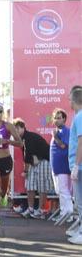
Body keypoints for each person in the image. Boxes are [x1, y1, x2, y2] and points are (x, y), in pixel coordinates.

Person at [14, 118, 54, 219]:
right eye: (14, 129)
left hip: (44, 160)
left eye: (18, 128)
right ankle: (31, 208)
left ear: (23, 128)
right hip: (34, 162)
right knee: (30, 186)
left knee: (42, 187)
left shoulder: (28, 137)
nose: (16, 131)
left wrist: (26, 171)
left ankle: (40, 210)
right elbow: (27, 157)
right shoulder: (22, 139)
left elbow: (28, 156)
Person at [49, 108, 73, 224]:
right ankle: (64, 213)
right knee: (60, 191)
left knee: (64, 191)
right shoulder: (58, 131)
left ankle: (69, 214)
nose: (56, 120)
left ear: (64, 119)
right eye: (55, 118)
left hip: (63, 167)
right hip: (57, 167)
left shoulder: (65, 131)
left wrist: (55, 137)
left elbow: (63, 146)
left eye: (59, 118)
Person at [67, 86, 82, 244]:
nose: (69, 101)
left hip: (80, 166)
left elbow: (81, 142)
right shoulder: (78, 116)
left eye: (70, 99)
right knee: (79, 201)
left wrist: (77, 165)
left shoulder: (80, 116)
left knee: (81, 201)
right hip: (78, 165)